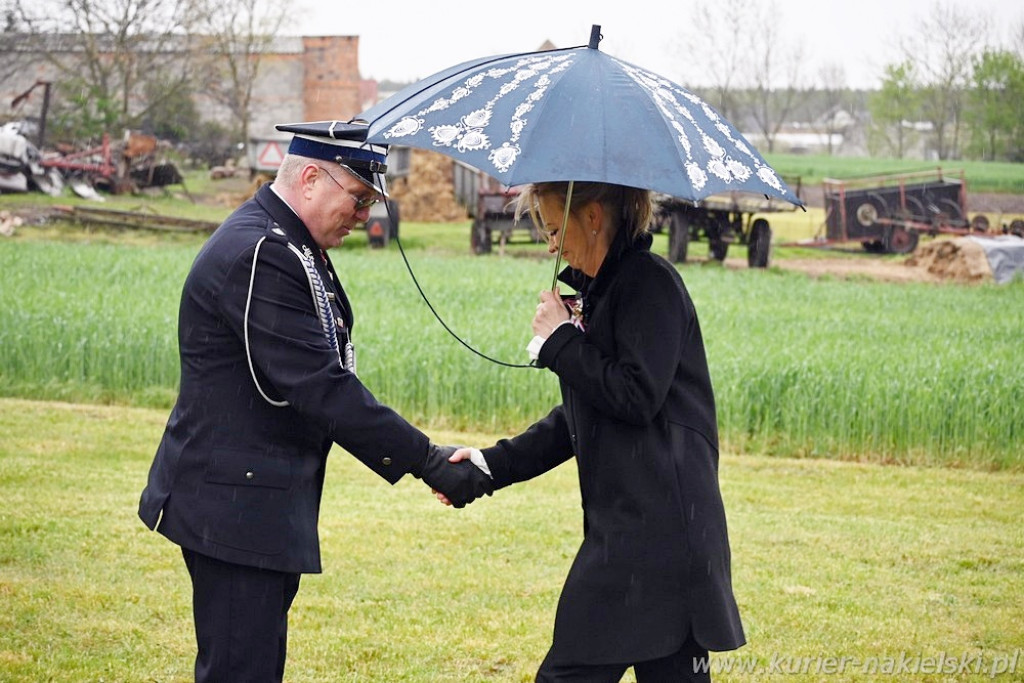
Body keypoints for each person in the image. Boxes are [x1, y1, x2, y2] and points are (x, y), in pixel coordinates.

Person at [138, 120, 492, 683]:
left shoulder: (288, 243)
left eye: (370, 204)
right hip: (233, 509)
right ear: (309, 178)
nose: (364, 217)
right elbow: (320, 387)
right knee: (240, 671)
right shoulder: (263, 253)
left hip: (255, 504)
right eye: (357, 200)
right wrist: (426, 460)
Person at [441, 181, 745, 682]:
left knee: (569, 673)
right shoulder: (606, 288)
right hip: (638, 531)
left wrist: (560, 341)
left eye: (556, 228)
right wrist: (492, 464)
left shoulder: (649, 285)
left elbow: (636, 396)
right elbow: (580, 416)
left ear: (595, 217)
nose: (550, 244)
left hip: (658, 537)